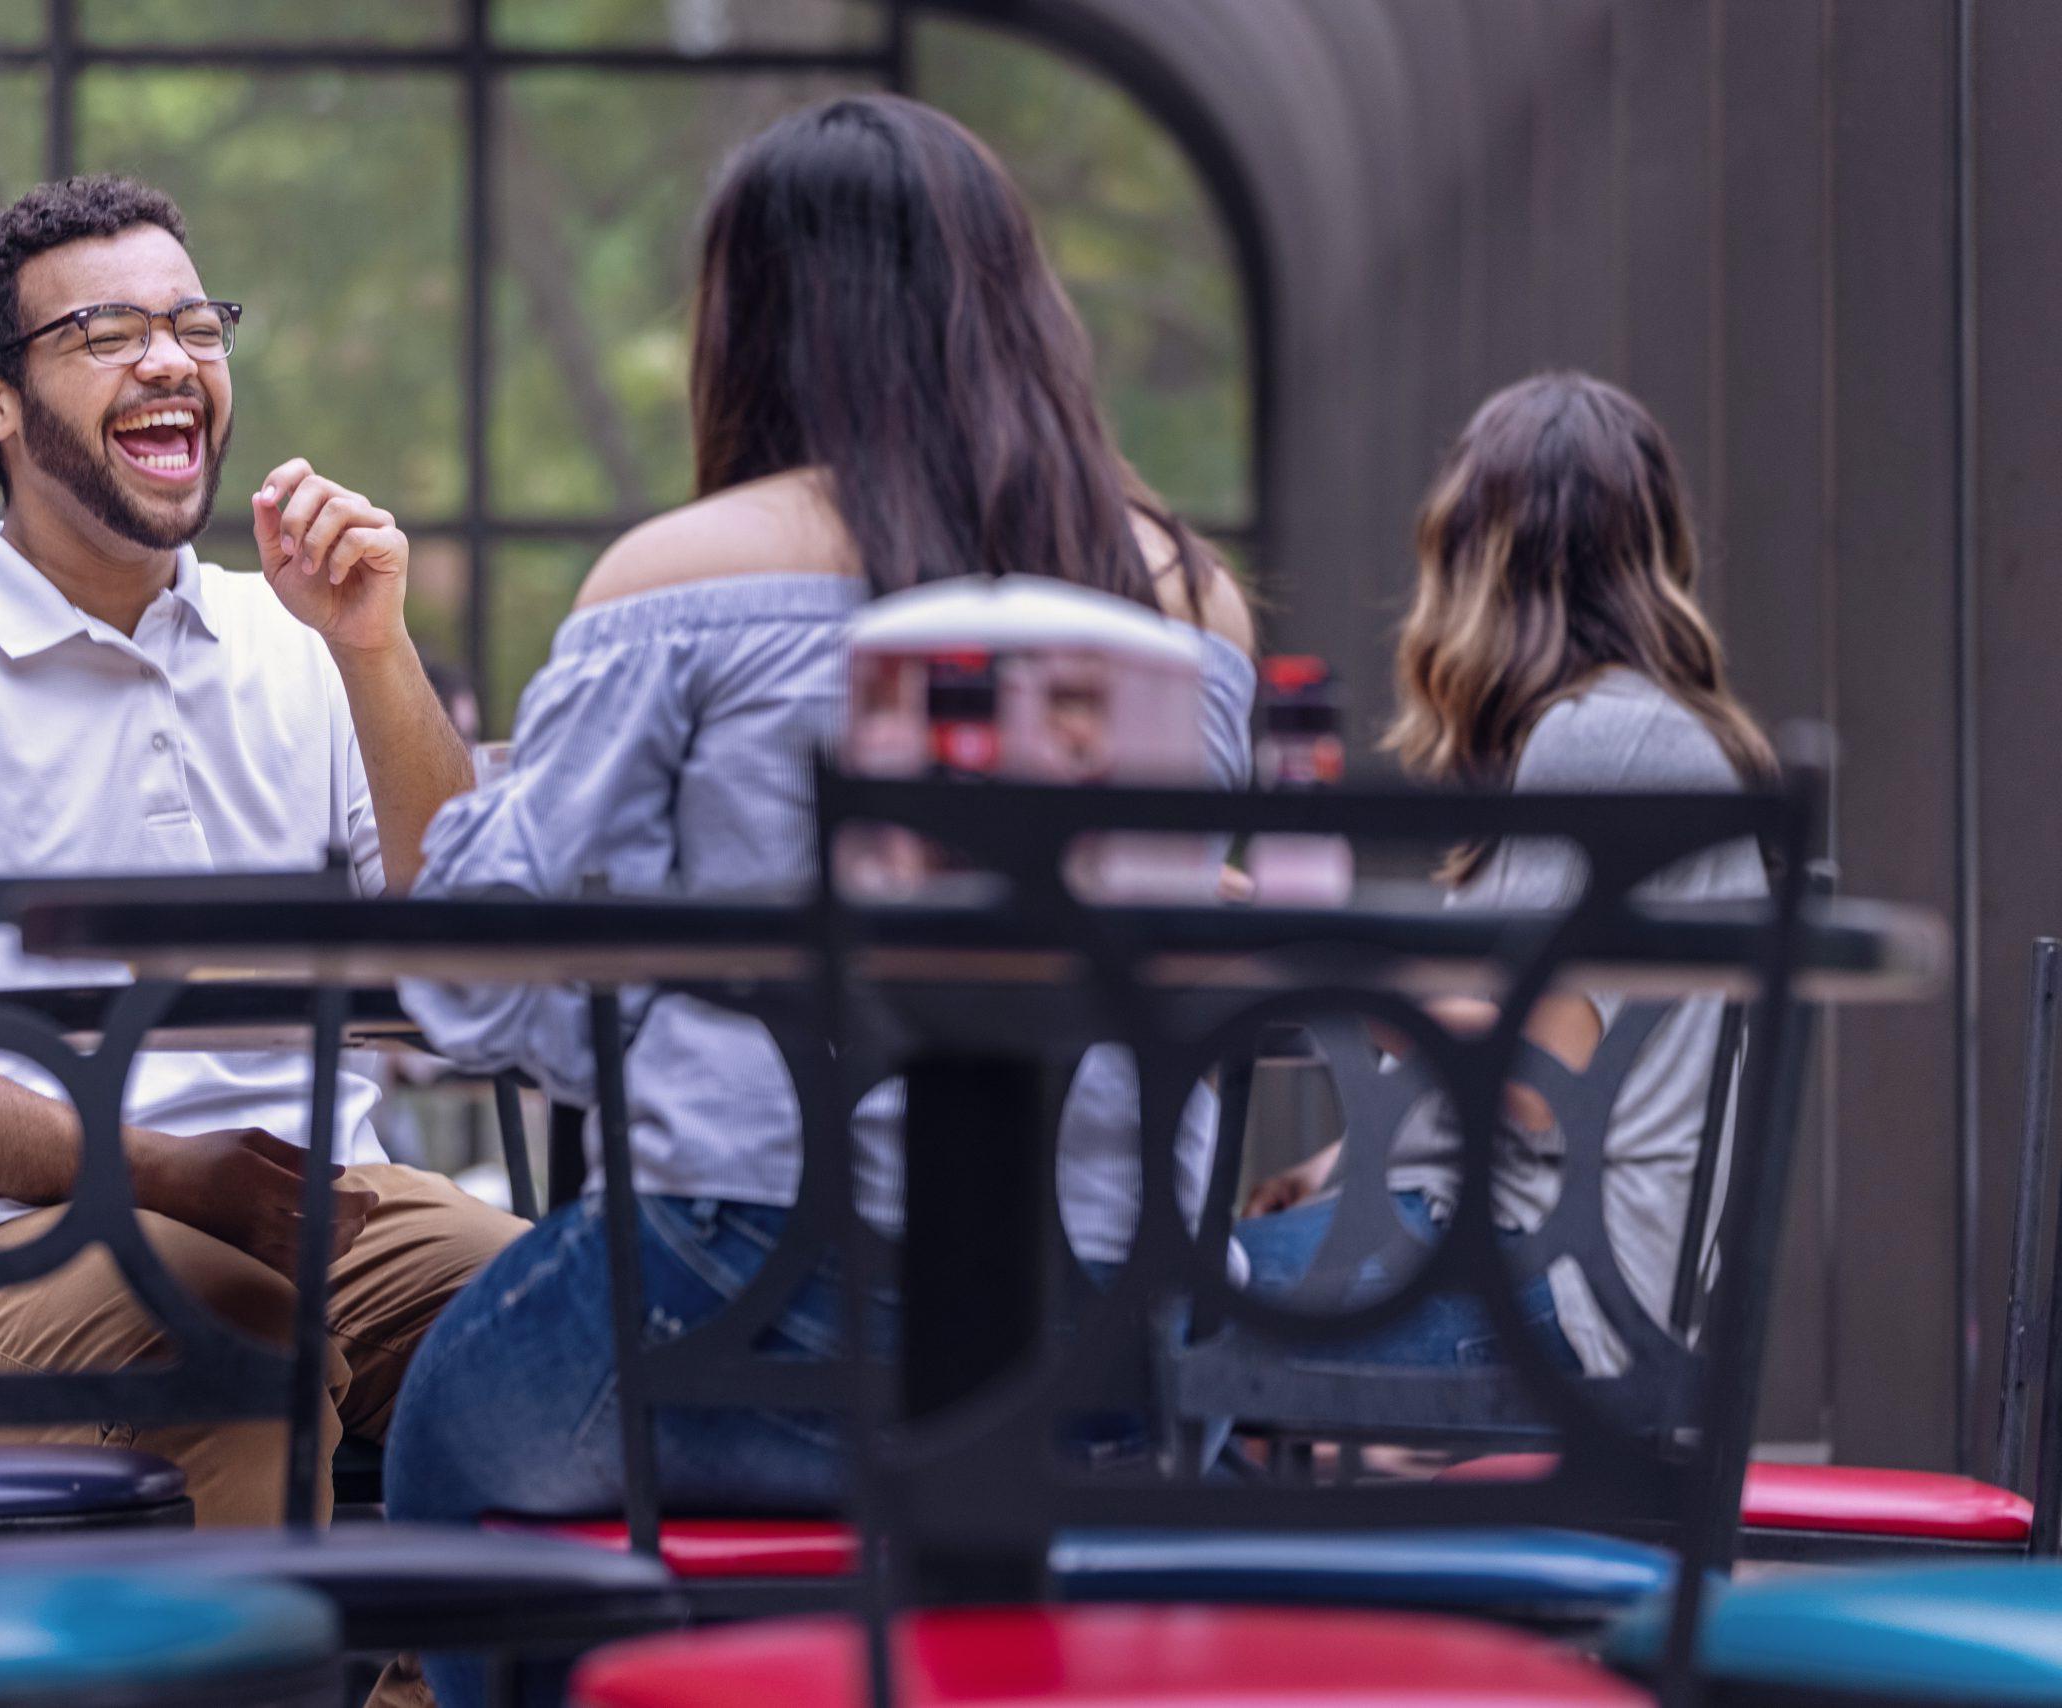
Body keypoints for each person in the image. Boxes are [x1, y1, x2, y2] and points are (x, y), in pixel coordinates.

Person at [380, 95, 1255, 1707]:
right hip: (1106, 1341)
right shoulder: (1182, 594)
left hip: (743, 1311)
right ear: (1017, 306)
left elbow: (489, 993)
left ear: (750, 316)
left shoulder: (677, 580)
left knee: (443, 1459)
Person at [0, 175, 522, 1527]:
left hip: (338, 1207)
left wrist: (375, 651)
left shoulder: (306, 640)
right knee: (245, 1338)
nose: (170, 360)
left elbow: (462, 963)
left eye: (197, 327)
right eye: (105, 334)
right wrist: (167, 1173)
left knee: (573, 1330)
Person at [1237, 370, 1775, 1377]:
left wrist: (1304, 945)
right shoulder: (1603, 731)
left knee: (1135, 1308)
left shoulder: (1599, 741)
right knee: (1152, 1302)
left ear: (1473, 556)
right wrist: (1339, 1166)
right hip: (1533, 1245)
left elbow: (1540, 1077)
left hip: (1558, 1281)